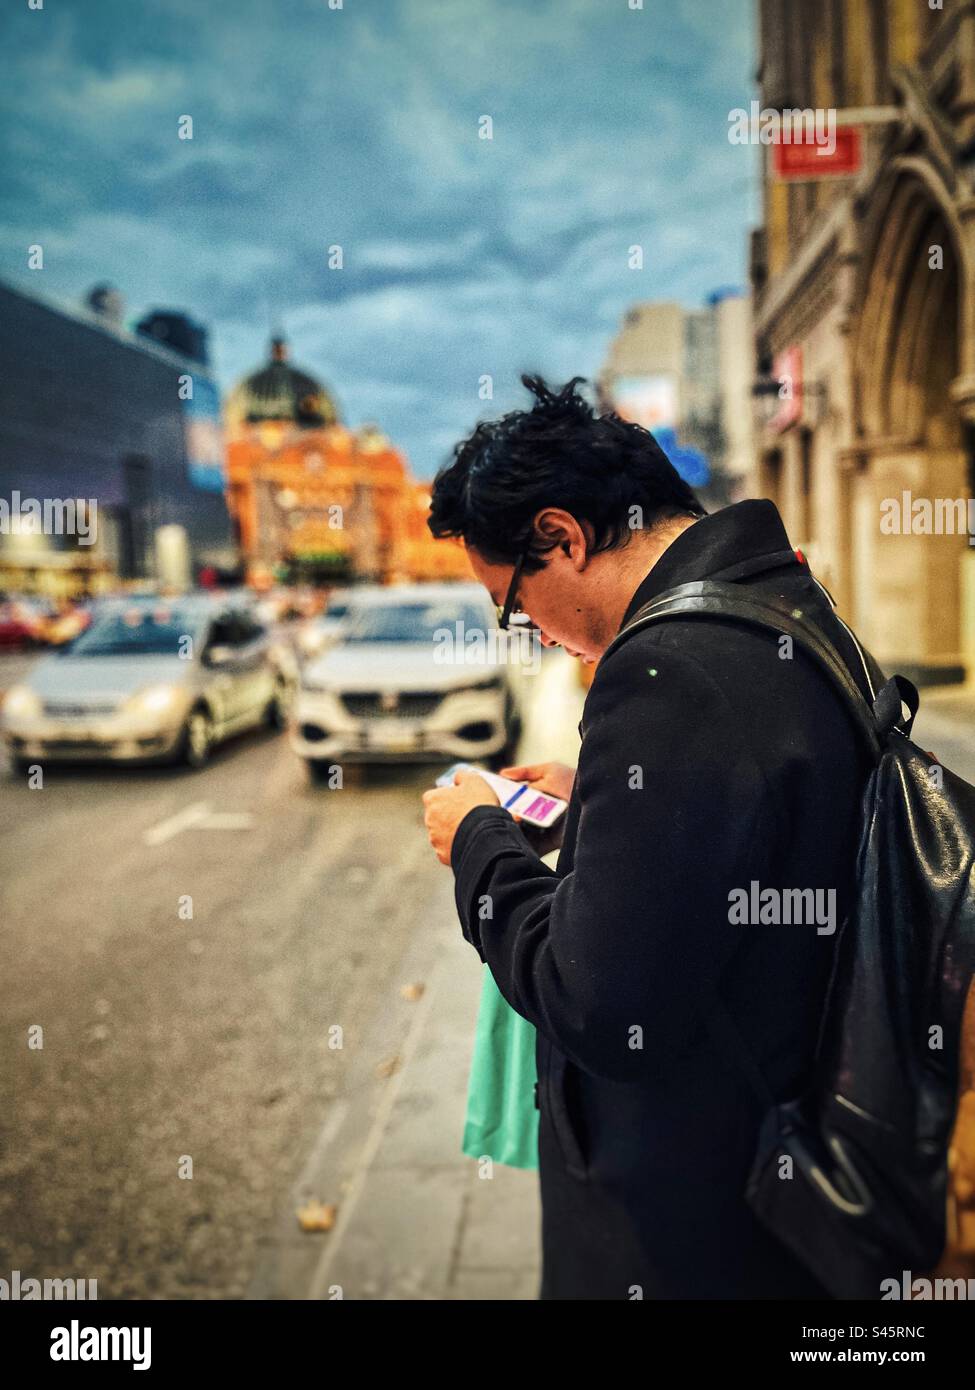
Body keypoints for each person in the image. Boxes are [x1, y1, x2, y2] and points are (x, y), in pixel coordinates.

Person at [421, 374, 876, 1300]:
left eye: (512, 603)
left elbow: (597, 1007)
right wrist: (600, 794)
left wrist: (478, 845)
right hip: (793, 1134)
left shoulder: (666, 672)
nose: (531, 635)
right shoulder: (774, 603)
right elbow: (769, 792)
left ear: (562, 536)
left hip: (695, 1209)